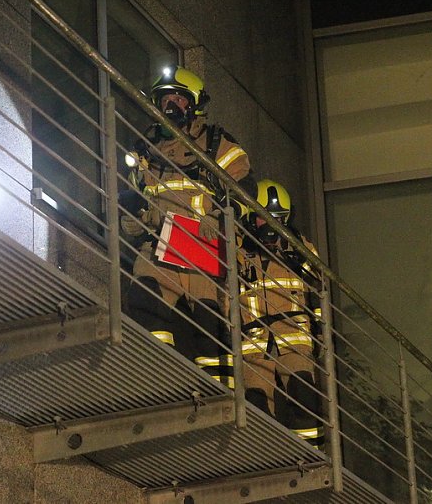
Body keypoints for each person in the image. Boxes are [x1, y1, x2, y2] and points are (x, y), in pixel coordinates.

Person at [121, 66, 256, 387]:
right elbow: (141, 200)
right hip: (160, 248)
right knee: (144, 301)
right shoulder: (145, 151)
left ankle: (217, 394)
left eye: (178, 100)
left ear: (194, 105)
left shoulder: (217, 146)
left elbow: (245, 193)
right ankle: (157, 374)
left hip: (203, 248)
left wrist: (219, 218)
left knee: (208, 331)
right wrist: (134, 221)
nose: (170, 107)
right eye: (164, 99)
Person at [237, 179, 324, 448]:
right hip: (253, 342)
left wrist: (319, 330)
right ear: (251, 217)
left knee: (304, 396)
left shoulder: (300, 249)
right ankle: (264, 454)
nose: (272, 226)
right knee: (257, 403)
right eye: (265, 219)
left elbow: (317, 291)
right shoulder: (237, 249)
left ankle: (311, 454)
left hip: (295, 337)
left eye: (279, 219)